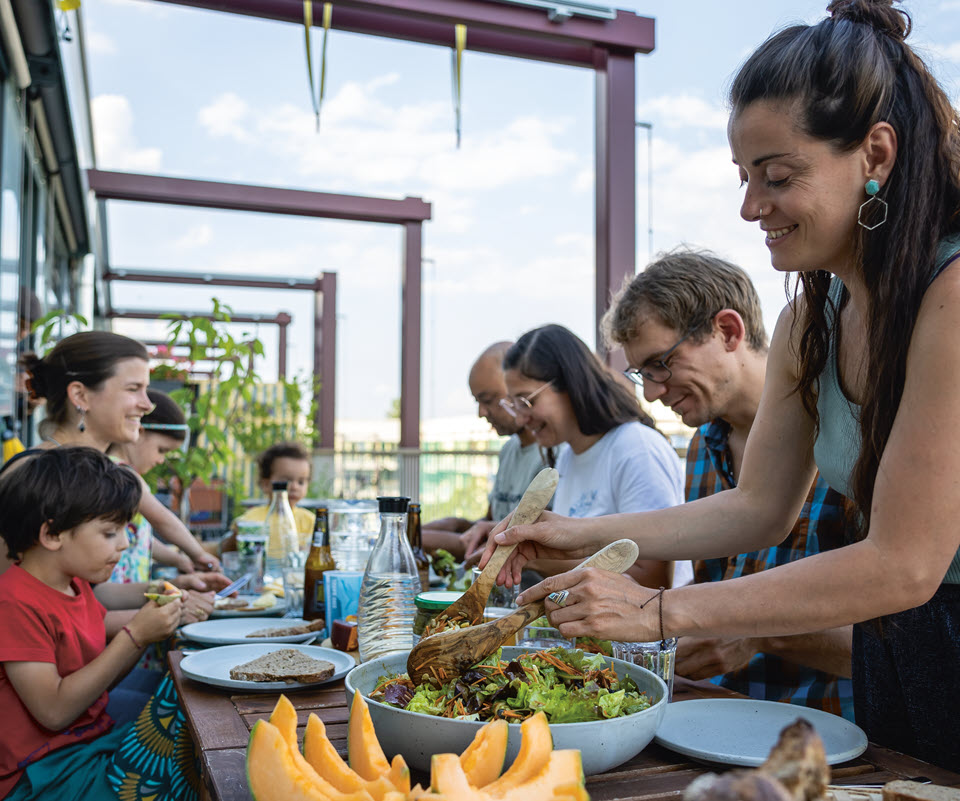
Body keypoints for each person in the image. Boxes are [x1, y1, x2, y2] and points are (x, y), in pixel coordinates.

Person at [481, 0, 960, 768]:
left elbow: (906, 560)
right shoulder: (814, 313)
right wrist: (573, 536)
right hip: (895, 656)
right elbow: (757, 509)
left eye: (776, 177)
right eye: (744, 178)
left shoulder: (951, 291)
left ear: (875, 154)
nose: (748, 207)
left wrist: (659, 608)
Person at [603, 248, 854, 718]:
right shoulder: (703, 448)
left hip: (831, 737)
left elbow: (901, 645)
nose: (653, 392)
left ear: (728, 331)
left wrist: (754, 629)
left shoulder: (846, 440)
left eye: (661, 363)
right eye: (642, 374)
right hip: (715, 717)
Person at [0, 447, 199, 801]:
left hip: (86, 742)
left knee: (193, 717)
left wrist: (154, 623)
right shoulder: (14, 601)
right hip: (42, 775)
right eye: (109, 533)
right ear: (52, 535)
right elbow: (55, 711)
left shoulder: (73, 585)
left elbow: (96, 685)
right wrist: (137, 635)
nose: (124, 544)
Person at [5, 331, 228, 624]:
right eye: (134, 388)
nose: (148, 405)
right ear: (81, 396)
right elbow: (20, 612)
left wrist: (165, 591)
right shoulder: (34, 474)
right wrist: (144, 622)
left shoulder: (100, 471)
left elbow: (84, 596)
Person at [502, 324, 686, 588]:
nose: (520, 418)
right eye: (513, 405)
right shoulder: (567, 456)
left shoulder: (635, 448)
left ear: (569, 384)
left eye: (526, 401)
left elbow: (654, 580)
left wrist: (535, 558)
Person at [424, 342, 546, 561]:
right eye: (478, 401)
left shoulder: (554, 454)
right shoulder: (509, 450)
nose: (482, 412)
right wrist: (457, 525)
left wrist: (410, 536)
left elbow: (513, 545)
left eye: (488, 400)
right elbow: (492, 524)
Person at [220, 441, 316, 554]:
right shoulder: (252, 519)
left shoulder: (310, 520)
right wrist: (237, 535)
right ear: (266, 485)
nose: (294, 487)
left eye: (301, 482)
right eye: (287, 480)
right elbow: (225, 550)